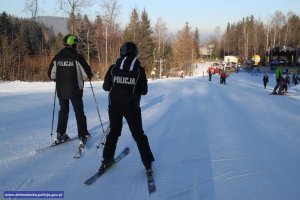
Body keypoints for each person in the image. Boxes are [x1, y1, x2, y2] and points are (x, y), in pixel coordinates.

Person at [100, 42, 155, 175]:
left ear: (121, 52)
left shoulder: (113, 68)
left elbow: (106, 87)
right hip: (132, 107)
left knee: (113, 133)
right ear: (135, 53)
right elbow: (144, 91)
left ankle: (106, 160)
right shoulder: (139, 70)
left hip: (114, 106)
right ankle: (147, 163)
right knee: (138, 135)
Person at [48, 34, 93, 146]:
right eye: (76, 43)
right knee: (79, 112)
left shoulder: (57, 57)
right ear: (73, 44)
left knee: (63, 110)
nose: (76, 45)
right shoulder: (77, 57)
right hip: (75, 90)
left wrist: (56, 78)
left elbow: (51, 74)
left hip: (61, 90)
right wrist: (88, 75)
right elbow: (87, 74)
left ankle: (60, 134)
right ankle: (83, 135)